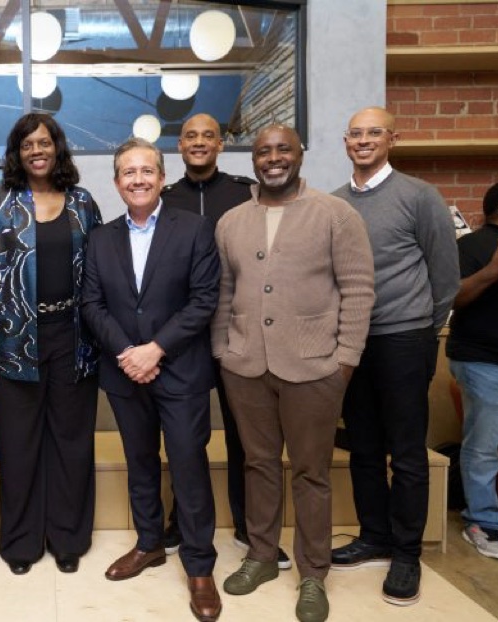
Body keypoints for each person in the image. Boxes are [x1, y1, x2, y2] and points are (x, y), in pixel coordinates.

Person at [212, 126, 374, 622]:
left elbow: (359, 289)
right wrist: (222, 347)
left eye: (284, 149)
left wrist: (345, 359)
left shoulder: (335, 214)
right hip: (245, 366)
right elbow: (223, 292)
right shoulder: (232, 221)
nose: (274, 158)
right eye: (264, 151)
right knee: (258, 465)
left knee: (311, 473)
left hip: (314, 366)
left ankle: (312, 574)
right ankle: (262, 556)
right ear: (254, 159)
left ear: (300, 153)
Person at [81, 138, 222, 622]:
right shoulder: (100, 238)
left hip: (179, 370)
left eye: (147, 171)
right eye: (128, 172)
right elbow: (91, 305)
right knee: (139, 461)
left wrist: (155, 349)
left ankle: (200, 567)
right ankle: (148, 544)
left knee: (187, 463)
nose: (138, 179)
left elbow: (204, 300)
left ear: (162, 178)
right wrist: (127, 353)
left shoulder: (196, 230)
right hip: (124, 374)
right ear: (117, 181)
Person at [331, 107, 460, 606]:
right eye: (356, 134)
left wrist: (425, 333)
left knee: (406, 451)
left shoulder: (419, 196)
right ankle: (374, 536)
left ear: (392, 139)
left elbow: (445, 275)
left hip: (406, 337)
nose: (364, 141)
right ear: (346, 143)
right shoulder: (336, 203)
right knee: (361, 444)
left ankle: (406, 553)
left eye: (374, 133)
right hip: (353, 341)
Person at [0, 113, 101, 576]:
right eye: (27, 145)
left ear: (57, 148)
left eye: (44, 142)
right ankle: (22, 544)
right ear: (18, 154)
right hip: (13, 344)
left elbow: (100, 275)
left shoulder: (82, 204)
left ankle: (69, 539)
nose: (37, 151)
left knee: (71, 442)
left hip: (75, 339)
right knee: (20, 445)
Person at [160, 113, 291, 569]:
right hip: (184, 339)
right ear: (180, 146)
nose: (199, 142)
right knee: (185, 436)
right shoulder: (164, 198)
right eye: (190, 135)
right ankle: (181, 518)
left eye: (208, 135)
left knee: (247, 437)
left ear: (221, 144)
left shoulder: (245, 193)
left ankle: (250, 523)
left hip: (239, 332)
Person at [446, 179, 498, 559]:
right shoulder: (472, 246)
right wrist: (494, 271)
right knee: (485, 447)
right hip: (483, 361)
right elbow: (451, 296)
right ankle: (482, 522)